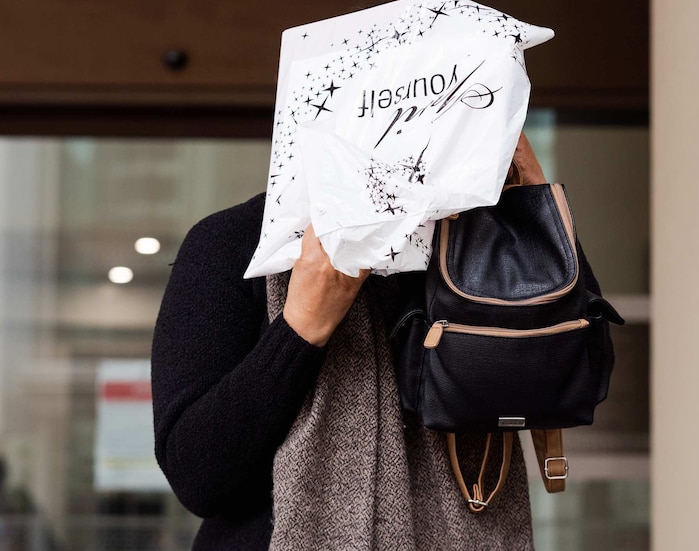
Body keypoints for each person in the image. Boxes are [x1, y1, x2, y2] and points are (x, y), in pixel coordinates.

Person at [151, 134, 547, 551]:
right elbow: (197, 478)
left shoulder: (487, 242)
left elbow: (583, 378)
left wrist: (537, 210)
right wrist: (300, 329)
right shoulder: (235, 242)